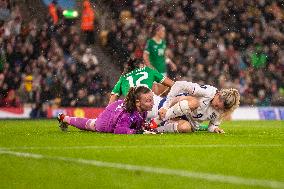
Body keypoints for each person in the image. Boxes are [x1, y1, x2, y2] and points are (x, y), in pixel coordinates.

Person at [57, 86, 156, 134]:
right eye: (148, 101)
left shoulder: (143, 110)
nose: (152, 103)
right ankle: (64, 118)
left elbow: (138, 124)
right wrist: (137, 132)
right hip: (105, 122)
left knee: (90, 123)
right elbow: (119, 129)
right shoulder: (128, 113)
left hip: (114, 110)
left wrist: (145, 128)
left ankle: (63, 118)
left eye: (152, 100)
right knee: (92, 125)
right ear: (138, 102)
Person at [151, 81, 240, 134]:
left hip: (187, 120)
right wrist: (166, 106)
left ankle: (154, 129)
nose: (216, 107)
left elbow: (211, 126)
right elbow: (179, 84)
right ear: (219, 94)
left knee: (185, 128)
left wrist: (215, 129)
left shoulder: (221, 111)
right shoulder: (208, 92)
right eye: (217, 104)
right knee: (195, 102)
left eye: (220, 108)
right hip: (172, 106)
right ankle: (155, 122)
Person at [109, 58, 174, 119]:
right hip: (152, 106)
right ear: (141, 65)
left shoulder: (123, 78)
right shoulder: (147, 70)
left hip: (132, 113)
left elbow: (111, 105)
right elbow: (173, 84)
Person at [143, 23, 176, 96]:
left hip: (163, 70)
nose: (164, 33)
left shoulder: (163, 42)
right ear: (157, 32)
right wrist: (150, 67)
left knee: (163, 93)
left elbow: (164, 56)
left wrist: (171, 63)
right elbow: (145, 56)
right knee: (154, 94)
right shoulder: (150, 42)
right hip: (154, 71)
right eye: (163, 31)